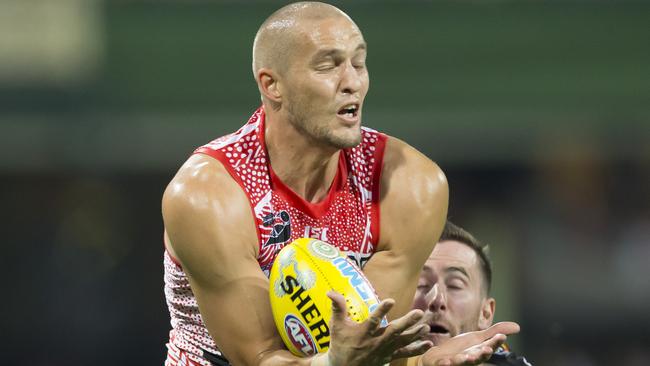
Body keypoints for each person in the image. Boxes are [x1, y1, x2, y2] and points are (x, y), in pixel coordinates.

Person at [161, 2, 519, 366]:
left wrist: (421, 363)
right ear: (272, 85)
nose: (352, 82)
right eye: (328, 65)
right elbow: (260, 357)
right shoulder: (208, 195)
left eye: (358, 63)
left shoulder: (409, 185)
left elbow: (372, 341)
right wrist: (337, 361)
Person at [409, 222, 531, 366]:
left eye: (455, 285)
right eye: (421, 284)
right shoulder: (376, 354)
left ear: (485, 313)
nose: (437, 299)